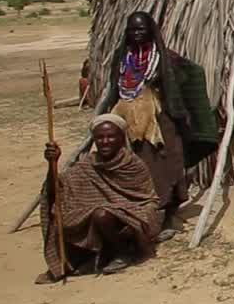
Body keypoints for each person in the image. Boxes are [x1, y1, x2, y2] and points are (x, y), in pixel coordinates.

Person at [103, 11, 218, 241]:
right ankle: (143, 213)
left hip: (162, 123)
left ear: (151, 31)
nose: (137, 34)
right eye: (132, 29)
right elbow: (115, 88)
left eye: (141, 29)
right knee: (140, 168)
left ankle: (168, 215)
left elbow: (192, 73)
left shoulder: (165, 59)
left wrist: (174, 105)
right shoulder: (123, 58)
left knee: (168, 166)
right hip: (132, 125)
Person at [38, 115, 161, 283]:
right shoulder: (87, 164)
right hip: (98, 215)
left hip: (130, 216)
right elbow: (58, 190)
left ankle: (122, 252)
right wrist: (52, 163)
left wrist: (122, 210)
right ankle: (95, 253)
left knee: (102, 215)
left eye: (111, 136)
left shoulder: (133, 164)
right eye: (100, 137)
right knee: (65, 213)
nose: (105, 141)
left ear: (121, 138)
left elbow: (147, 199)